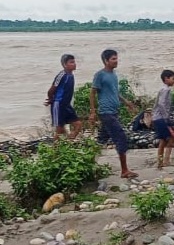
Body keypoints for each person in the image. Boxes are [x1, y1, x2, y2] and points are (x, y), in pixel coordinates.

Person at [89, 49, 138, 178]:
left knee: (101, 140)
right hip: (106, 112)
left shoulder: (114, 75)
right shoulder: (100, 75)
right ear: (106, 61)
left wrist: (126, 102)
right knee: (120, 137)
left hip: (114, 111)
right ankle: (124, 171)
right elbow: (92, 93)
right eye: (113, 59)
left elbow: (115, 92)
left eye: (116, 58)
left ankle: (87, 163)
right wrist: (93, 111)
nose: (116, 61)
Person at [45, 54, 83, 139]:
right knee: (60, 130)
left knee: (78, 125)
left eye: (74, 62)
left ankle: (69, 142)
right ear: (65, 64)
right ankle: (56, 149)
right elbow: (51, 90)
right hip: (59, 104)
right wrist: (51, 99)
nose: (74, 64)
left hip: (67, 105)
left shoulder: (71, 75)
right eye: (71, 62)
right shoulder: (62, 75)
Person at [152, 69, 174, 169]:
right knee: (169, 139)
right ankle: (164, 161)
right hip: (160, 118)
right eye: (173, 79)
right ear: (166, 79)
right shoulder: (165, 90)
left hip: (158, 117)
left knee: (164, 139)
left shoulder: (164, 89)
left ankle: (162, 161)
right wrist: (166, 117)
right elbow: (161, 104)